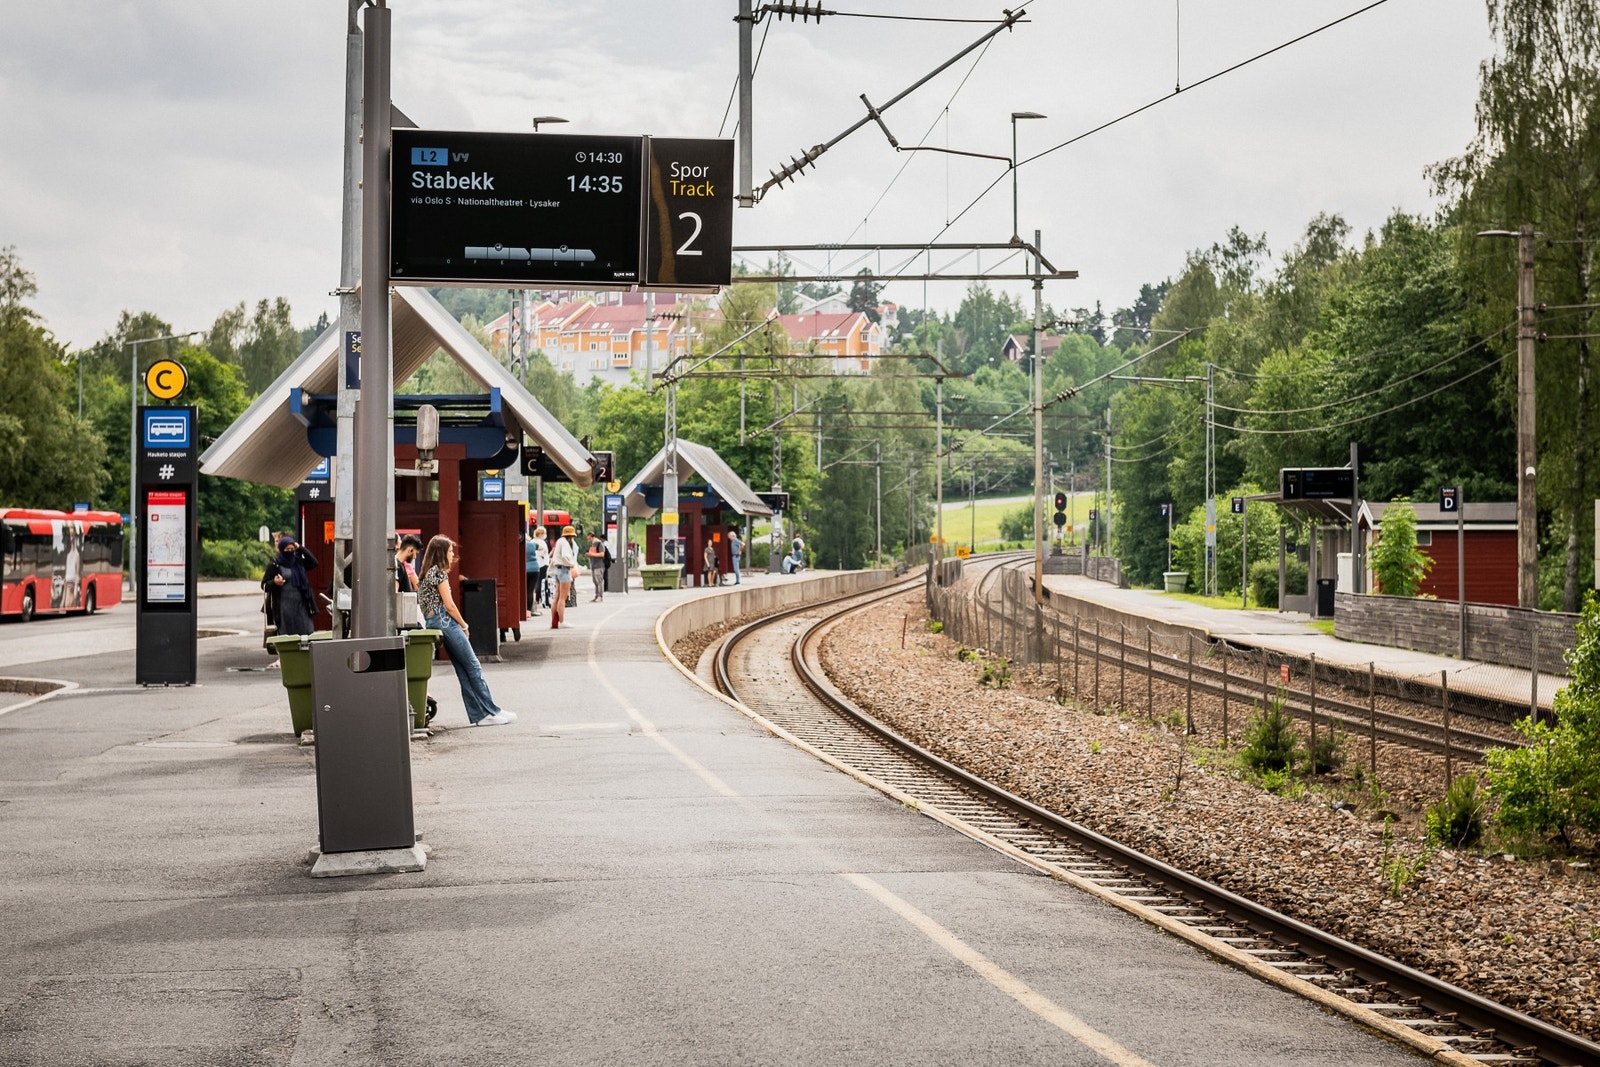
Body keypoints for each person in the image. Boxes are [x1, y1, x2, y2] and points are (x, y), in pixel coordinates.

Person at [416, 535, 515, 727]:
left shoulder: (427, 573)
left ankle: (480, 714)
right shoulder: (439, 574)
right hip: (446, 621)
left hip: (434, 622)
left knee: (463, 669)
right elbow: (450, 606)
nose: (453, 554)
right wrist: (464, 624)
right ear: (441, 553)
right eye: (450, 550)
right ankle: (490, 711)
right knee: (473, 666)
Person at [263, 535, 317, 635]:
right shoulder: (274, 565)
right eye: (287, 549)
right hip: (283, 607)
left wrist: (300, 548)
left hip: (301, 606)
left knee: (305, 631)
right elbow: (264, 585)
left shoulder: (298, 562)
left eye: (292, 549)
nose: (290, 551)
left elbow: (313, 562)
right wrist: (274, 582)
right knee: (286, 634)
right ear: (282, 549)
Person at [548, 525, 580, 628]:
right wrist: (571, 564)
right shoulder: (566, 543)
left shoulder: (560, 541)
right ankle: (561, 621)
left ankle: (554, 621)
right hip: (564, 570)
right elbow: (566, 556)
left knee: (557, 596)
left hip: (557, 570)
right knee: (563, 597)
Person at [586, 532, 610, 602]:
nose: (589, 540)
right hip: (593, 565)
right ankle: (596, 595)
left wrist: (591, 554)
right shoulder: (592, 544)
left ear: (592, 537)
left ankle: (600, 596)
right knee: (595, 581)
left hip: (599, 565)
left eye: (589, 539)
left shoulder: (599, 543)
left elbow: (602, 554)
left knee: (599, 581)